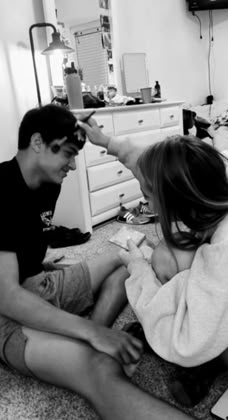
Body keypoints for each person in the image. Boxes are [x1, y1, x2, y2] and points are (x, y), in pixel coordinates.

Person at [0, 104, 194, 420]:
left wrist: (101, 139)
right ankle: (91, 340)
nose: (73, 164)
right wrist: (89, 332)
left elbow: (156, 171)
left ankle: (94, 333)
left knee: (129, 254)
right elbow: (6, 296)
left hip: (41, 285)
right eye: (68, 153)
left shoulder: (49, 181)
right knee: (98, 370)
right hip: (5, 312)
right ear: (37, 142)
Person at [79, 117, 228, 398]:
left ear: (175, 198)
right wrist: (105, 141)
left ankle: (208, 363)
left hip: (204, 334)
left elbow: (188, 340)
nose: (146, 203)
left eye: (148, 196)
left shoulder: (223, 251)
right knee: (169, 255)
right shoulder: (207, 185)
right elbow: (145, 164)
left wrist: (138, 268)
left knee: (164, 259)